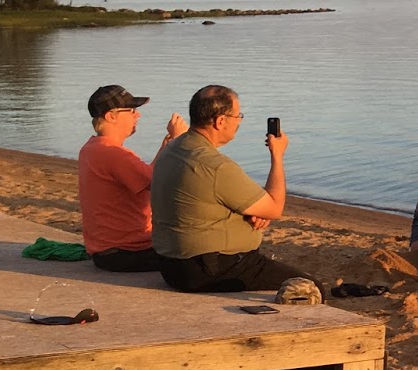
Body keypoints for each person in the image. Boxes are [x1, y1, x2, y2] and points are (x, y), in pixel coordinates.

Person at [150, 84, 310, 292]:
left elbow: (209, 198)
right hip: (213, 269)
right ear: (220, 121)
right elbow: (275, 207)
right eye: (238, 116)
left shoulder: (172, 149)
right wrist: (277, 156)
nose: (239, 123)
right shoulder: (215, 166)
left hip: (172, 266)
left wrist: (256, 211)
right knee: (308, 287)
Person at [77, 84, 188, 272]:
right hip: (125, 252)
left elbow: (146, 177)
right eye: (131, 110)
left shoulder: (91, 149)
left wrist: (166, 147)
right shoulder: (113, 153)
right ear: (111, 116)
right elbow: (157, 182)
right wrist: (180, 141)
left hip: (106, 251)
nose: (137, 115)